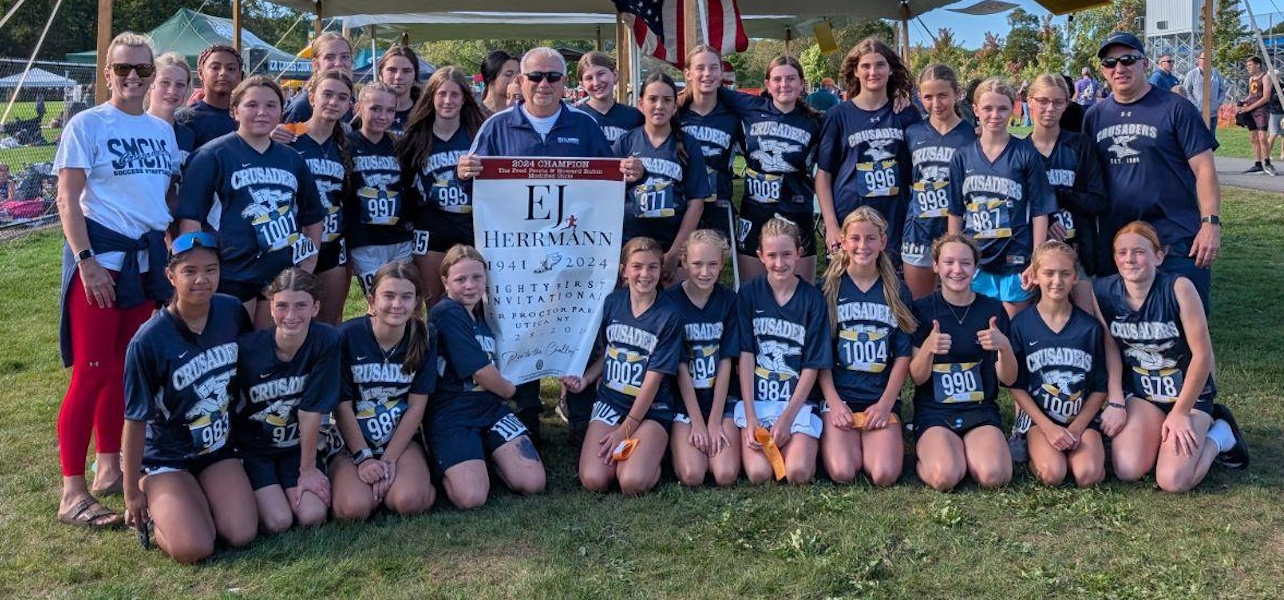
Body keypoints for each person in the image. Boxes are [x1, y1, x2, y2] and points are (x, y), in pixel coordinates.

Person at [457, 47, 639, 446]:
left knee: (577, 328)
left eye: (553, 77)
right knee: (520, 330)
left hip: (575, 252)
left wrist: (631, 174)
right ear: (519, 81)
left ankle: (579, 423)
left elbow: (607, 187)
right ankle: (527, 423)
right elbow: (477, 188)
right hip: (517, 259)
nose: (543, 85)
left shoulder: (586, 126)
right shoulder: (496, 127)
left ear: (564, 83)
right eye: (535, 77)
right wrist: (465, 173)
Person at [53, 32, 182, 530]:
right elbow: (68, 198)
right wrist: (86, 261)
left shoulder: (160, 131)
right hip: (100, 262)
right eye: (123, 68)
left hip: (143, 265)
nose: (133, 78)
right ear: (106, 72)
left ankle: (110, 465)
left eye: (142, 70)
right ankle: (71, 492)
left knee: (124, 368)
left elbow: (157, 197)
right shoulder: (87, 124)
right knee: (89, 370)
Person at [122, 231, 258, 563]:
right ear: (170, 275)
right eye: (189, 271)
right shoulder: (149, 340)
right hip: (166, 456)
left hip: (216, 448)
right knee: (195, 547)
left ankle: (195, 498)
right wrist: (130, 495)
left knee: (241, 534)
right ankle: (158, 502)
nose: (202, 279)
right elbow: (135, 418)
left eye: (211, 270)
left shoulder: (231, 311)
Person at [1091, 221, 1247, 492]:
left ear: (1158, 256)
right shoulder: (1103, 292)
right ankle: (1159, 435)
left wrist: (1181, 411)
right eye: (1122, 252)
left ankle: (1221, 435)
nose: (1130, 259)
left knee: (1173, 480)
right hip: (1144, 394)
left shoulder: (1179, 288)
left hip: (1188, 395)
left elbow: (1202, 354)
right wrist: (1115, 400)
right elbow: (1111, 347)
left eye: (1139, 252)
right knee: (1127, 469)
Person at [1087, 32, 1222, 313]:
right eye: (1110, 63)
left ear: (1145, 63)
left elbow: (1205, 168)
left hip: (1174, 235)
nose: (1119, 68)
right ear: (1103, 70)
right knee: (1129, 328)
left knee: (1183, 323)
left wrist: (1210, 223)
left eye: (1128, 60)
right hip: (1119, 240)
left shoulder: (1176, 108)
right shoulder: (1095, 116)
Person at [177, 76, 324, 328]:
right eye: (252, 105)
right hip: (232, 272)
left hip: (279, 272)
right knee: (232, 348)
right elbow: (190, 218)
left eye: (271, 105)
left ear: (281, 110)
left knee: (268, 350)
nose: (261, 112)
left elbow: (313, 216)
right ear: (235, 111)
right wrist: (202, 271)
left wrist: (307, 265)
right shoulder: (213, 155)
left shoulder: (292, 159)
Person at [429, 245, 545, 508]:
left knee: (533, 482)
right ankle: (455, 463)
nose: (469, 286)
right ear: (445, 281)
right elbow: (480, 372)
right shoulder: (447, 312)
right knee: (471, 497)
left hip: (490, 410)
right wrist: (511, 391)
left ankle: (485, 455)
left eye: (477, 278)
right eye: (460, 279)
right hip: (453, 413)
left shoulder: (484, 314)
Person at [564, 237, 682, 495]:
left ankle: (655, 456)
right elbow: (610, 351)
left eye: (652, 267)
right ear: (624, 270)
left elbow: (653, 381)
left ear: (661, 270)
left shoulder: (670, 315)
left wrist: (625, 430)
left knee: (631, 482)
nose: (644, 274)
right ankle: (637, 452)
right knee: (594, 480)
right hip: (610, 403)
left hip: (651, 409)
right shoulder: (612, 303)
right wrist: (585, 380)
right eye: (637, 266)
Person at [233, 268, 339, 532]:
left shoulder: (325, 340)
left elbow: (311, 410)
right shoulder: (248, 349)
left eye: (301, 306)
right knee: (279, 521)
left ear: (315, 308)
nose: (291, 316)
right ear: (270, 308)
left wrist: (308, 470)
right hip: (256, 449)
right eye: (282, 306)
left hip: (295, 446)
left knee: (312, 515)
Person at [818, 207, 916, 487]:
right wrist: (834, 403)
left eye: (871, 238)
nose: (863, 246)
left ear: (883, 242)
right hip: (841, 396)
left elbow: (903, 355)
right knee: (842, 472)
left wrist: (886, 404)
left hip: (879, 396)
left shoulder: (896, 290)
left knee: (883, 474)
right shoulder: (827, 289)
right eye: (856, 238)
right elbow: (820, 356)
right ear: (844, 241)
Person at [909, 233, 1015, 492]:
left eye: (966, 263)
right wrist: (927, 349)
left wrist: (1004, 347)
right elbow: (917, 377)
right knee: (945, 477)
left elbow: (1009, 379)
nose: (957, 270)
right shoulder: (921, 309)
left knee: (994, 476)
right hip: (935, 411)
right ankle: (933, 458)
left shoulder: (992, 309)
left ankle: (969, 453)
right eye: (949, 262)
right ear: (936, 266)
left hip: (979, 410)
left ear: (975, 267)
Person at [331, 262, 437, 519]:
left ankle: (423, 485)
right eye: (388, 296)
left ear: (417, 302)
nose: (397, 305)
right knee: (354, 509)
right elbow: (342, 405)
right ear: (371, 300)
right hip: (351, 441)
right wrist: (364, 458)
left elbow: (416, 407)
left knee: (408, 501)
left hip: (398, 439)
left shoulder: (424, 336)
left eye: (406, 297)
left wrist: (388, 459)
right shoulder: (346, 336)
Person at [947, 77, 1056, 317]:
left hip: (1016, 260)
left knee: (1008, 332)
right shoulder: (962, 157)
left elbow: (1040, 211)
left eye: (1002, 108)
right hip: (975, 260)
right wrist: (954, 257)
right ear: (975, 110)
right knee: (979, 333)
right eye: (987, 108)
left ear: (1013, 110)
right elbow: (955, 212)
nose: (994, 115)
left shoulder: (1025, 154)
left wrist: (1036, 261)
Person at [735, 216, 832, 485]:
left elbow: (812, 365)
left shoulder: (812, 298)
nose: (780, 263)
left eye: (787, 254)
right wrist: (752, 416)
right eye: (772, 255)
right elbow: (745, 355)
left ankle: (810, 447)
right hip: (758, 401)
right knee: (759, 474)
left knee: (798, 472)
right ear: (760, 256)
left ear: (799, 254)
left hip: (796, 403)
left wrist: (788, 419)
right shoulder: (749, 293)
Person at [716, 55, 823, 283]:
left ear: (802, 83)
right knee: (751, 291)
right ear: (767, 84)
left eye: (791, 79)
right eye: (777, 79)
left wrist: (898, 97)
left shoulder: (815, 121)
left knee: (800, 293)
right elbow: (709, 87)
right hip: (755, 211)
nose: (784, 84)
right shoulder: (750, 107)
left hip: (797, 210)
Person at [1008, 241, 1106, 487]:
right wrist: (1049, 428)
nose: (1057, 281)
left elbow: (1099, 387)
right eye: (1049, 273)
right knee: (1052, 474)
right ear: (1036, 276)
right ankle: (1032, 448)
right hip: (1040, 420)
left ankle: (1087, 453)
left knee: (1088, 475)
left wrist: (1078, 427)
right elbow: (1016, 385)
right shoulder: (1021, 324)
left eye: (1065, 273)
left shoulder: (1089, 327)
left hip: (1079, 417)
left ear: (1075, 278)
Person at [817, 38, 921, 264]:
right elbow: (823, 175)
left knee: (892, 289)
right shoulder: (838, 115)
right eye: (865, 66)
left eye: (880, 64)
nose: (873, 71)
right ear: (855, 71)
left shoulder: (906, 113)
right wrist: (832, 225)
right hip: (850, 215)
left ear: (891, 69)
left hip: (894, 217)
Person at [399, 67, 487, 310]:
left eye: (455, 95)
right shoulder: (416, 137)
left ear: (464, 98)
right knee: (434, 302)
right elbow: (405, 185)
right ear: (432, 97)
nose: (448, 101)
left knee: (474, 302)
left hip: (470, 227)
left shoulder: (479, 135)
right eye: (442, 94)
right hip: (431, 229)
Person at [614, 72, 710, 283]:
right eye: (652, 99)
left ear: (675, 106)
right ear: (640, 104)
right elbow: (606, 196)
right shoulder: (626, 142)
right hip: (632, 243)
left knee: (675, 305)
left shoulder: (688, 144)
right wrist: (625, 179)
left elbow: (697, 202)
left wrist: (676, 252)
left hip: (672, 240)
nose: (659, 106)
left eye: (667, 100)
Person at [665, 230, 742, 487]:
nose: (705, 272)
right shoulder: (670, 302)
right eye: (697, 264)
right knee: (692, 475)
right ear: (684, 262)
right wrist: (698, 422)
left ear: (722, 264)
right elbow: (679, 366)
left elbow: (726, 362)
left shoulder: (730, 301)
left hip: (720, 398)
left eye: (712, 264)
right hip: (683, 401)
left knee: (725, 474)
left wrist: (714, 420)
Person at [902, 63, 975, 300]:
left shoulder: (971, 135)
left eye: (942, 95)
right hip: (918, 232)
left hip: (957, 230)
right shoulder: (912, 133)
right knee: (919, 306)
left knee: (957, 302)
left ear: (956, 93)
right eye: (928, 97)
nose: (936, 103)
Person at [1025, 73, 1110, 277]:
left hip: (1077, 250)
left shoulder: (1080, 146)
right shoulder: (1019, 151)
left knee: (1084, 307)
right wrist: (1048, 218)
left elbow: (1098, 201)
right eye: (1043, 101)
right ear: (1030, 102)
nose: (1050, 109)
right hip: (1033, 254)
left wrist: (1057, 196)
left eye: (1057, 102)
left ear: (1066, 104)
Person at [290, 70, 354, 325]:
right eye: (327, 94)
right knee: (290, 321)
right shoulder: (289, 136)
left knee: (328, 323)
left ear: (349, 103)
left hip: (332, 243)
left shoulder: (348, 143)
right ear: (312, 96)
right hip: (294, 243)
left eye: (342, 97)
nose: (333, 102)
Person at [345, 82, 414, 295]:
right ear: (359, 108)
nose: (383, 116)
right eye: (375, 108)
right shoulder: (345, 143)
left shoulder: (400, 145)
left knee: (405, 301)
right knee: (379, 300)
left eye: (390, 110)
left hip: (400, 238)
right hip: (365, 240)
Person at [678, 45, 743, 238]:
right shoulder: (673, 113)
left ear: (721, 72)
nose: (707, 74)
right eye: (700, 68)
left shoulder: (734, 116)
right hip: (680, 202)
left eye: (713, 67)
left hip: (717, 203)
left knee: (711, 265)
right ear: (688, 73)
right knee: (681, 264)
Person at [280, 33, 354, 126]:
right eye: (330, 57)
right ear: (316, 64)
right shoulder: (302, 106)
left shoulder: (352, 101)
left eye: (345, 57)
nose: (338, 63)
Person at [576, 51, 644, 144]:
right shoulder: (574, 117)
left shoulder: (635, 116)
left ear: (615, 74)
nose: (596, 82)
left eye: (601, 74)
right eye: (589, 78)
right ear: (582, 85)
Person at [146, 52, 196, 170]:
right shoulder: (133, 128)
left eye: (180, 85)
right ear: (150, 83)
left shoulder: (187, 134)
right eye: (165, 82)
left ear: (187, 89)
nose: (172, 91)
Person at [188, 45, 243, 149]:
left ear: (240, 75)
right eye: (215, 67)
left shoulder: (249, 117)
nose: (223, 73)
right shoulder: (187, 119)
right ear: (200, 73)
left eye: (231, 69)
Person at [1237, 56, 1275, 175]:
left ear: (1258, 65)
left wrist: (1249, 107)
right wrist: (1243, 102)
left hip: (1261, 111)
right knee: (1253, 138)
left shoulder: (1265, 77)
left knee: (1262, 138)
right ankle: (1257, 164)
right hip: (1250, 111)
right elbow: (1251, 95)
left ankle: (1267, 163)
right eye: (1247, 66)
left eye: (1250, 65)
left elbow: (1266, 97)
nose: (1248, 67)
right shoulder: (1251, 78)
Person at [374, 46, 420, 134]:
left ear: (415, 75)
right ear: (380, 74)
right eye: (392, 70)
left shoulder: (425, 113)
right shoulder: (365, 112)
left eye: (406, 71)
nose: (398, 76)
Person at [1181, 51, 1228, 136]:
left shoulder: (1216, 73)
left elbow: (1223, 89)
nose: (1206, 61)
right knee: (1198, 138)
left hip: (1212, 114)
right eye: (1203, 58)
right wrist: (1196, 105)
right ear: (1199, 60)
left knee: (1211, 138)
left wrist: (1218, 103)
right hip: (1197, 114)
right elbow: (1187, 91)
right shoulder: (1192, 74)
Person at [479, 50, 519, 116]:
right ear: (489, 78)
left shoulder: (522, 112)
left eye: (518, 74)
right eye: (508, 74)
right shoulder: (474, 115)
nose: (515, 79)